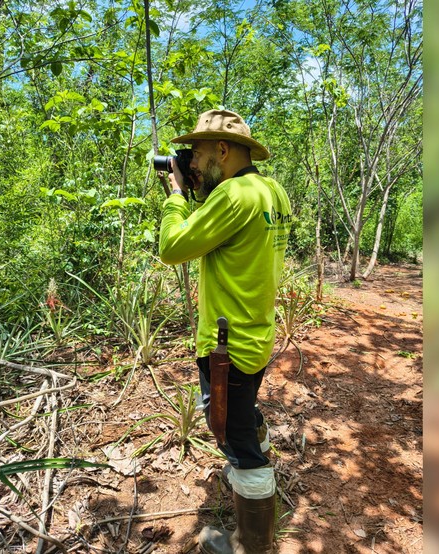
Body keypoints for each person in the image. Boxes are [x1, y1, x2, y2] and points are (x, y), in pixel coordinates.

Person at [158, 110, 291, 554]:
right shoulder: (270, 191)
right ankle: (259, 447)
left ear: (221, 149)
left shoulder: (233, 195)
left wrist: (176, 196)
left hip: (226, 346)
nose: (191, 161)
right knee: (243, 408)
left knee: (234, 439)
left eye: (197, 152)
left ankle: (251, 543)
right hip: (256, 333)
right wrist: (197, 189)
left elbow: (172, 248)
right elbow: (225, 233)